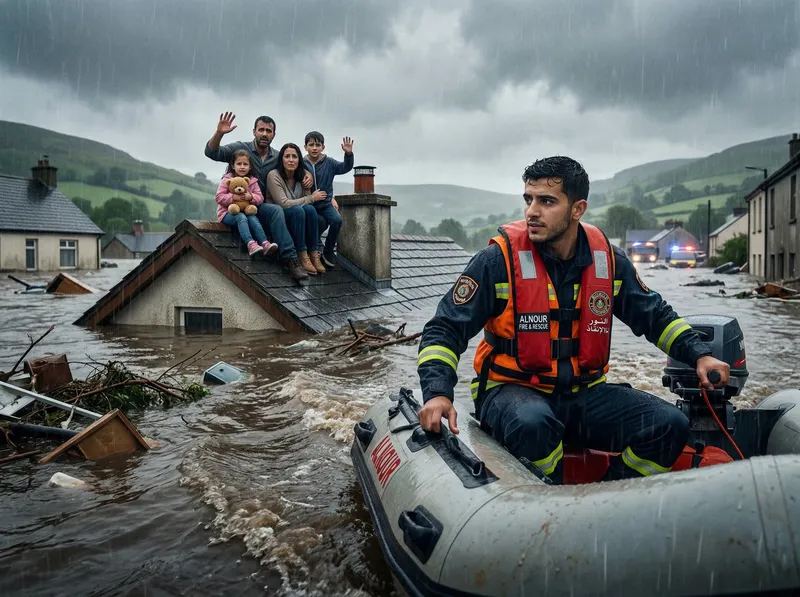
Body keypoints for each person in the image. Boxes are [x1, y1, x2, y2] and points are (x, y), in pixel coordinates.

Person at [416, 156, 730, 484]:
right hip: (510, 392)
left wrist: (699, 354)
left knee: (670, 424)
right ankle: (546, 510)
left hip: (584, 395)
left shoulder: (609, 263)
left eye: (547, 201)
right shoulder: (496, 262)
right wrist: (438, 393)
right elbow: (445, 329)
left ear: (577, 209)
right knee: (534, 423)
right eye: (529, 199)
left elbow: (656, 317)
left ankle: (610, 500)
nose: (532, 211)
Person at [204, 112, 310, 280]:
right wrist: (219, 133)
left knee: (295, 211)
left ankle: (297, 258)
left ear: (274, 135)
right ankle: (290, 258)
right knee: (276, 210)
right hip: (238, 209)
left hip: (258, 204)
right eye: (261, 129)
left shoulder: (276, 156)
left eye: (269, 131)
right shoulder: (241, 150)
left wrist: (307, 173)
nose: (264, 134)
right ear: (254, 131)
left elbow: (295, 164)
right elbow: (211, 152)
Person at [266, 143, 327, 275]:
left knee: (311, 210)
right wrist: (311, 197)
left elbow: (308, 203)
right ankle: (302, 254)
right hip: (279, 217)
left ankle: (313, 253)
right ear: (281, 159)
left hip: (299, 218)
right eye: (287, 156)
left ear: (299, 159)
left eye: (294, 156)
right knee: (299, 210)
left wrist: (310, 194)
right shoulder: (274, 175)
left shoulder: (303, 177)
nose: (291, 159)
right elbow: (284, 204)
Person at [303, 131, 354, 268]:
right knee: (319, 223)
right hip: (309, 204)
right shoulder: (301, 164)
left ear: (323, 147)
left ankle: (328, 250)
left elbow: (345, 167)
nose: (314, 148)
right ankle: (313, 248)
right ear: (305, 147)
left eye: (318, 145)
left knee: (337, 220)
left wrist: (348, 154)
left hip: (325, 204)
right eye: (311, 145)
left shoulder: (329, 162)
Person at [215, 150, 278, 257]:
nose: (242, 167)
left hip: (246, 211)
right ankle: (250, 244)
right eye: (239, 164)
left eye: (245, 164)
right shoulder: (227, 179)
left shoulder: (252, 181)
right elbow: (219, 197)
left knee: (253, 218)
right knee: (241, 217)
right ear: (233, 165)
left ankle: (265, 243)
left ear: (250, 167)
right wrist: (233, 197)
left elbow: (260, 198)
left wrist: (251, 196)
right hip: (227, 213)